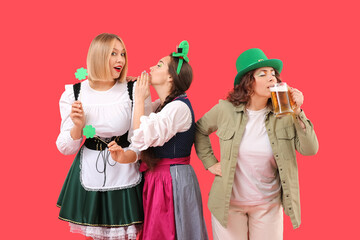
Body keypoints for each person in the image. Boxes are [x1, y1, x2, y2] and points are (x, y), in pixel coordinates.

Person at [194, 48, 319, 240]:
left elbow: (310, 149)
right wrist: (210, 162)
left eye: (273, 74)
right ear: (248, 83)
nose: (272, 78)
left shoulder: (285, 115)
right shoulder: (225, 110)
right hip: (229, 206)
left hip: (268, 206)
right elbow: (200, 130)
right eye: (263, 74)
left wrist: (298, 111)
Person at [108, 41, 209, 240]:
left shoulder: (178, 108)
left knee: (175, 230)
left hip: (173, 180)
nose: (152, 67)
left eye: (160, 65)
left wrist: (138, 98)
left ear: (171, 77)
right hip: (158, 179)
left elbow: (141, 135)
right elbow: (138, 131)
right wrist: (139, 93)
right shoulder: (161, 105)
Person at [56, 33, 151, 240]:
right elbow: (64, 147)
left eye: (123, 54)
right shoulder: (74, 93)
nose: (121, 60)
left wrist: (129, 156)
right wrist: (77, 128)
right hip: (89, 171)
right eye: (114, 53)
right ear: (98, 56)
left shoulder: (133, 89)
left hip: (126, 171)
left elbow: (142, 138)